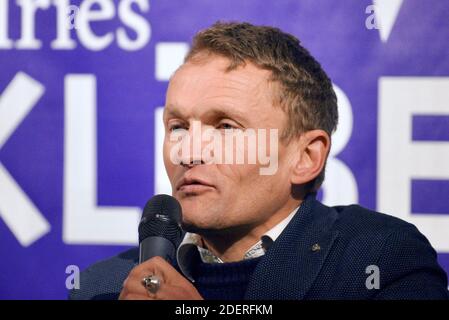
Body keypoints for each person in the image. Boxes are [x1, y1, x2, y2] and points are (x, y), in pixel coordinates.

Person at [70, 22, 448, 300]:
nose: (187, 152)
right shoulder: (101, 288)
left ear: (305, 157)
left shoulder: (378, 262)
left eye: (226, 127)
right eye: (178, 126)